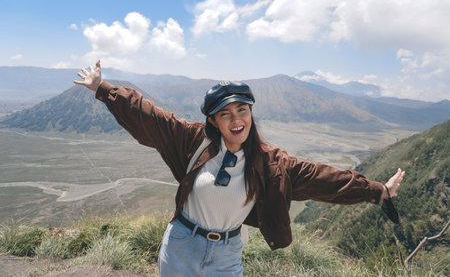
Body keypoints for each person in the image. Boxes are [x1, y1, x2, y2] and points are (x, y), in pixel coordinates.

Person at [75, 61, 405, 276]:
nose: (236, 120)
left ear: (250, 113)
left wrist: (378, 190)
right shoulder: (193, 141)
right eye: (225, 114)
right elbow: (149, 116)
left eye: (242, 110)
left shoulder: (273, 164)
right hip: (181, 247)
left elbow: (326, 180)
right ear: (213, 121)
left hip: (227, 254)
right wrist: (103, 89)